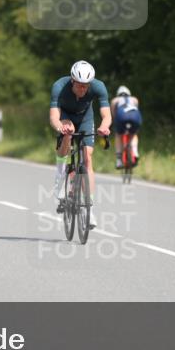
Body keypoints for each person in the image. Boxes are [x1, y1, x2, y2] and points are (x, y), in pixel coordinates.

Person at [49, 60, 111, 228]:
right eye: (79, 85)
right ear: (72, 80)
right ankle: (60, 179)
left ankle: (88, 207)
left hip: (86, 118)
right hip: (66, 116)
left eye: (86, 86)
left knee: (87, 158)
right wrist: (60, 127)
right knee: (68, 133)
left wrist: (104, 127)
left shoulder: (98, 87)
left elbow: (106, 115)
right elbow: (54, 116)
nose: (83, 89)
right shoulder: (59, 86)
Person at [110, 85, 142, 169]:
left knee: (118, 134)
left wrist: (114, 123)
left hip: (121, 117)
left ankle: (119, 160)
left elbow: (113, 114)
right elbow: (136, 110)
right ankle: (135, 152)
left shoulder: (115, 100)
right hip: (135, 117)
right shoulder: (134, 99)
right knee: (134, 134)